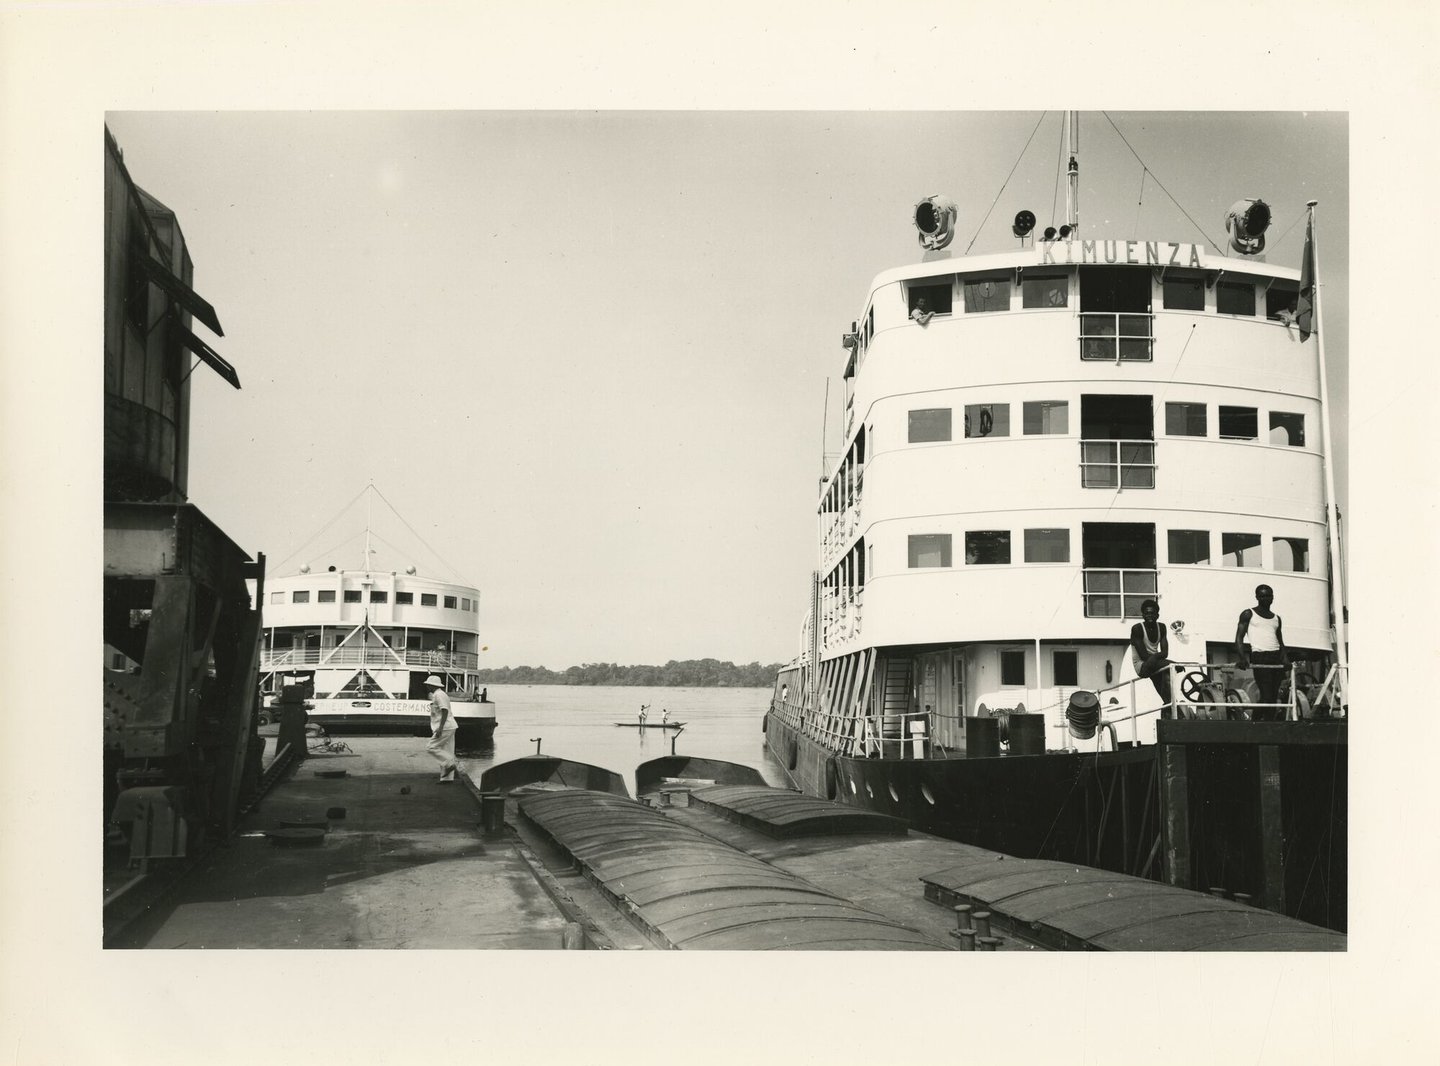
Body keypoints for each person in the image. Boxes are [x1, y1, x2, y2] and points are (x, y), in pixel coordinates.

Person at [1235, 585, 1288, 721]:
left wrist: (1285, 659)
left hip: (1275, 657)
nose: (1266, 598)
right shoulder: (1248, 614)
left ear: (1272, 597)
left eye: (1268, 595)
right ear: (1257, 597)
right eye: (1262, 596)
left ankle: (1269, 725)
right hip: (1260, 656)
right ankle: (1254, 723)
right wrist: (1242, 658)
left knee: (1274, 697)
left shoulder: (1277, 618)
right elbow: (1239, 638)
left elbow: (1280, 641)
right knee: (1266, 696)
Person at [1129, 598, 1173, 714]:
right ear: (1143, 615)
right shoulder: (1137, 629)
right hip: (1142, 666)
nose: (1150, 616)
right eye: (1147, 613)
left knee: (1167, 671)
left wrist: (1157, 657)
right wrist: (1160, 658)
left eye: (1152, 613)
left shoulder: (1162, 627)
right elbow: (1143, 656)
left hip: (1154, 663)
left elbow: (1165, 652)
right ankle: (1169, 704)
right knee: (1172, 665)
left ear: (1157, 615)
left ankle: (1169, 705)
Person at [424, 674, 458, 782]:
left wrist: (440, 728)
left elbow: (445, 710)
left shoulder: (439, 695)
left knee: (431, 747)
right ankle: (447, 779)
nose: (427, 687)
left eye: (428, 685)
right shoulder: (439, 694)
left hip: (445, 727)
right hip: (449, 726)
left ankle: (450, 763)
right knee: (447, 750)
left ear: (432, 685)